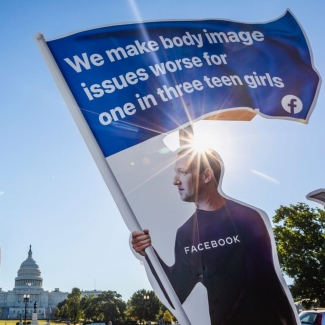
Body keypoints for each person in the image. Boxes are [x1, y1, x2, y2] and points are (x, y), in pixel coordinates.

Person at [132, 148, 298, 325]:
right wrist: (148, 253)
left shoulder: (247, 218)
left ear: (207, 175)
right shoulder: (185, 233)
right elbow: (177, 294)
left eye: (183, 172)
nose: (175, 181)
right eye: (175, 173)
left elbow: (269, 283)